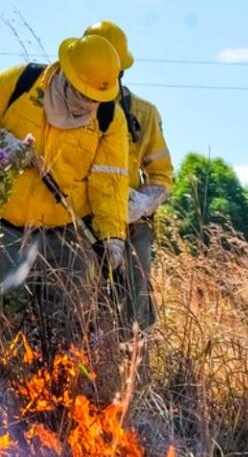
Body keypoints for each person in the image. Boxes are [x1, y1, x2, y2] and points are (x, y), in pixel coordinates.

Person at [0, 34, 130, 350]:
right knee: (1, 322)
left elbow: (110, 183)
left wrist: (113, 236)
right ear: (67, 76)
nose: (88, 104)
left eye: (95, 99)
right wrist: (2, 141)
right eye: (83, 95)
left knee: (68, 329)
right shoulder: (23, 81)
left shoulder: (109, 119)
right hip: (4, 229)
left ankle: (57, 390)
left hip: (65, 238)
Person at [83, 21, 173, 332]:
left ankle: (137, 369)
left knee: (135, 310)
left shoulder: (144, 114)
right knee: (80, 308)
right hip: (80, 224)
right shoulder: (65, 110)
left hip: (133, 227)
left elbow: (162, 176)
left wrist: (144, 203)